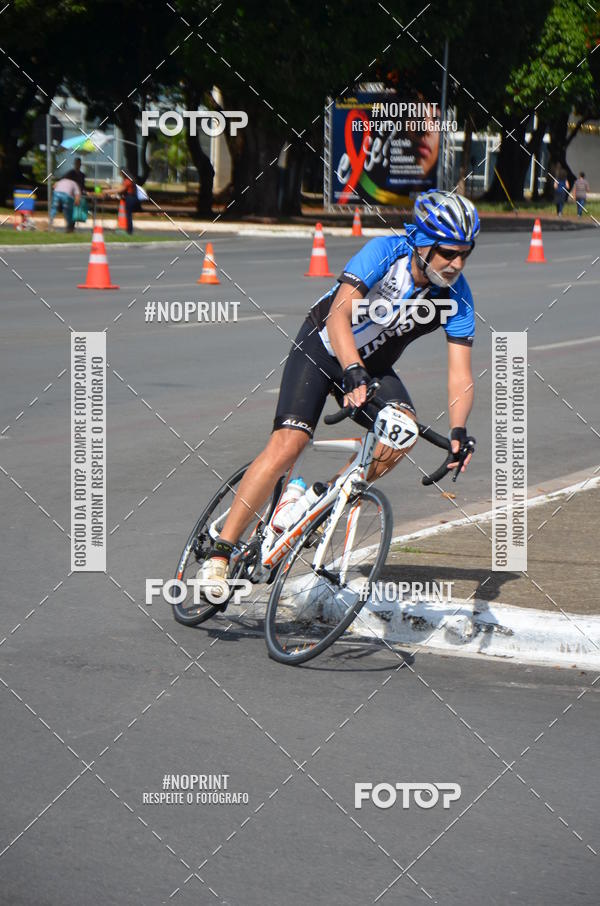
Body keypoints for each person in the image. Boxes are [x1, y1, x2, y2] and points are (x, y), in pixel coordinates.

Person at [199, 189, 479, 590]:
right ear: (421, 243)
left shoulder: (456, 295)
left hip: (372, 367)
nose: (456, 264)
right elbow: (339, 313)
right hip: (323, 347)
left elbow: (460, 372)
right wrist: (351, 370)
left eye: (464, 254)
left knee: (402, 434)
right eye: (448, 253)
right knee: (289, 444)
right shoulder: (385, 252)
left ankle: (314, 502)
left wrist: (458, 430)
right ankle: (221, 553)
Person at [110, 169, 140, 234]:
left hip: (130, 198)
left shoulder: (127, 181)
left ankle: (129, 230)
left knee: (128, 215)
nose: (120, 175)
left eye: (121, 174)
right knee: (128, 215)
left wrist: (108, 191)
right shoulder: (128, 180)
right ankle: (128, 229)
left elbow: (121, 189)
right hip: (130, 197)